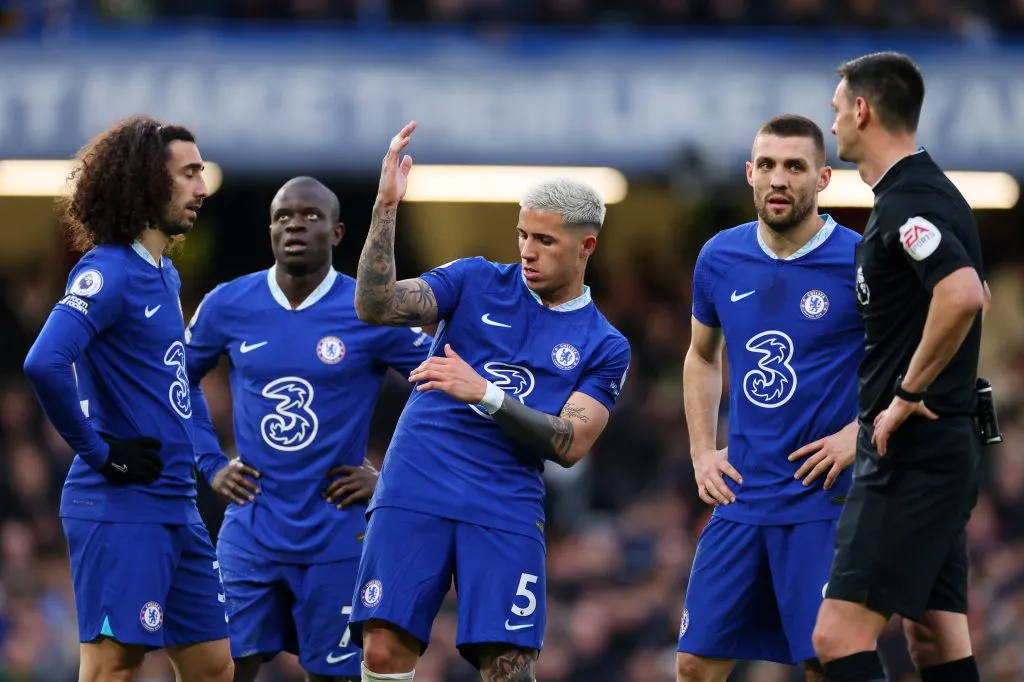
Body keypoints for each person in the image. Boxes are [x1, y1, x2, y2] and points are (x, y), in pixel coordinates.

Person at [346, 122, 631, 682]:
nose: (527, 251)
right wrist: (385, 207)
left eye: (545, 241)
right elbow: (375, 306)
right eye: (523, 235)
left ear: (586, 246)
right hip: (416, 485)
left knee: (508, 670)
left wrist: (486, 394)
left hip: (503, 504)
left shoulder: (605, 345)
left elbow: (570, 444)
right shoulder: (475, 280)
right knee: (382, 651)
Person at [184, 176, 433, 682]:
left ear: (339, 234)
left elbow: (442, 386)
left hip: (336, 533)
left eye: (311, 215)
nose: (295, 223)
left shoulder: (369, 309)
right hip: (251, 529)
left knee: (332, 675)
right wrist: (209, 463)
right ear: (270, 229)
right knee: (221, 668)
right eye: (283, 215)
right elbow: (175, 383)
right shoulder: (228, 304)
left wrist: (391, 478)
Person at [22, 116, 233, 682]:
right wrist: (99, 452)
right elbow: (43, 361)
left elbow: (172, 387)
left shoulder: (162, 275)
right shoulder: (108, 271)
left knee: (214, 665)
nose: (201, 187)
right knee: (113, 667)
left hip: (175, 504)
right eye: (188, 174)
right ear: (146, 182)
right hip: (118, 505)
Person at [812, 51, 992, 682]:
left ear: (862, 110)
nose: (832, 126)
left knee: (836, 638)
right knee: (936, 639)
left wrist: (908, 391)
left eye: (836, 112)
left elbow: (963, 293)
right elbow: (973, 291)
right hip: (943, 446)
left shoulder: (910, 201)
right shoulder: (922, 195)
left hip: (912, 451)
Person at [675, 115, 862, 682]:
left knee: (824, 661)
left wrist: (860, 435)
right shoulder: (719, 257)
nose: (779, 179)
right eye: (768, 165)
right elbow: (702, 356)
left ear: (824, 178)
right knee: (694, 664)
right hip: (742, 499)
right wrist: (703, 452)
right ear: (750, 174)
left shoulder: (860, 258)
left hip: (822, 501)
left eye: (795, 166)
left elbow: (905, 363)